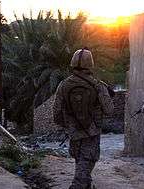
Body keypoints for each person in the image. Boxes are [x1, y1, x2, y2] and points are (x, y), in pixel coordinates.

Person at [53, 48, 114, 189]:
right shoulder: (98, 85)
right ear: (90, 64)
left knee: (80, 161)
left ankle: (85, 184)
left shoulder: (63, 85)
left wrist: (68, 125)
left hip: (73, 132)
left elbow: (56, 113)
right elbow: (109, 110)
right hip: (92, 131)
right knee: (86, 162)